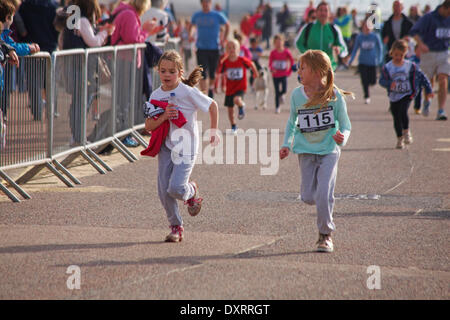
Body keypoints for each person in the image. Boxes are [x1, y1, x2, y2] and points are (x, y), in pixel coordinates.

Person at [141, 50, 219, 242]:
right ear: (158, 71)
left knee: (176, 188)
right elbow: (148, 125)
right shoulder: (156, 95)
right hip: (167, 146)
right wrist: (165, 117)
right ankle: (176, 227)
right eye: (163, 71)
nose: (167, 75)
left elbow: (213, 105)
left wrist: (213, 130)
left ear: (180, 73)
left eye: (172, 71)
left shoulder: (187, 92)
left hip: (187, 146)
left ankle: (191, 190)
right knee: (163, 191)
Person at [280, 49, 353, 253]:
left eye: (303, 68)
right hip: (305, 151)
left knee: (323, 194)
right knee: (308, 197)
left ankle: (325, 235)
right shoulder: (296, 95)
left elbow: (346, 125)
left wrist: (343, 137)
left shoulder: (334, 95)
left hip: (329, 150)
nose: (299, 71)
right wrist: (286, 143)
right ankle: (322, 205)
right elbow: (291, 121)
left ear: (317, 71)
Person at [60, 0, 115, 145]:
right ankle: (79, 138)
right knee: (82, 102)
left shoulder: (71, 20)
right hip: (82, 67)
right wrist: (105, 33)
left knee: (77, 102)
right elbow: (94, 42)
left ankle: (76, 136)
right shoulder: (83, 20)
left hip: (71, 65)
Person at [110, 0, 162, 147]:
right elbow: (132, 39)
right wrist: (146, 31)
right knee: (124, 99)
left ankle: (124, 133)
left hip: (125, 60)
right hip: (125, 60)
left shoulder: (127, 13)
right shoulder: (129, 14)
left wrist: (146, 31)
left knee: (126, 99)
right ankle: (123, 134)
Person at [379, 40, 433, 149]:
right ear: (392, 53)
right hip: (394, 96)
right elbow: (381, 81)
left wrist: (429, 89)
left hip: (407, 93)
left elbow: (422, 77)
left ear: (405, 54)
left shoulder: (410, 66)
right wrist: (390, 84)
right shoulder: (388, 67)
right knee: (396, 117)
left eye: (401, 55)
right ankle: (399, 138)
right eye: (396, 55)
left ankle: (406, 132)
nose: (398, 57)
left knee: (403, 111)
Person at [409, 0, 450, 120]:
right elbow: (414, 32)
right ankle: (427, 100)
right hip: (428, 53)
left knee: (443, 79)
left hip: (444, 52)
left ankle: (441, 110)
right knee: (428, 81)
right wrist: (420, 44)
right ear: (444, 8)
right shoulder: (428, 18)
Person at [0, 0, 39, 120]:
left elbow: (9, 45)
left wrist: (8, 51)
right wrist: (29, 47)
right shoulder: (3, 34)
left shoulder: (4, 36)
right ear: (8, 17)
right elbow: (14, 46)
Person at [190, 0, 230, 99]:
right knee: (202, 72)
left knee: (212, 73)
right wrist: (191, 35)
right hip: (201, 47)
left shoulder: (217, 15)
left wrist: (224, 38)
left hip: (214, 48)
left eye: (208, 2)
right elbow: (191, 25)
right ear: (201, 3)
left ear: (210, 3)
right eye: (204, 2)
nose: (206, 4)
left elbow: (227, 24)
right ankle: (204, 94)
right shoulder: (197, 15)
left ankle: (211, 88)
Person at [217, 39, 258, 134]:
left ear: (238, 49)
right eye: (229, 48)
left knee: (237, 99)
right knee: (230, 109)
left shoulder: (242, 60)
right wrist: (221, 85)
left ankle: (241, 105)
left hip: (240, 87)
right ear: (226, 50)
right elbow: (220, 73)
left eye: (234, 47)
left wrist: (255, 73)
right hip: (229, 88)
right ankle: (233, 126)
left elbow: (252, 64)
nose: (231, 49)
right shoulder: (225, 62)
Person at [295, 1, 348, 71]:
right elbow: (298, 43)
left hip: (328, 69)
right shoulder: (308, 27)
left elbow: (344, 48)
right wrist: (307, 55)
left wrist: (339, 49)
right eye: (320, 10)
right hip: (310, 69)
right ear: (316, 12)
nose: (323, 13)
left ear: (329, 14)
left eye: (326, 10)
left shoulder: (334, 29)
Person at [346, 17, 383, 104]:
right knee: (364, 80)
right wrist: (351, 60)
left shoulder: (375, 36)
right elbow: (355, 49)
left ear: (371, 27)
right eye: (365, 26)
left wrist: (380, 59)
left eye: (368, 26)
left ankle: (370, 85)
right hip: (362, 62)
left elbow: (380, 48)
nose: (366, 28)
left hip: (373, 62)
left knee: (373, 81)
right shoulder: (359, 37)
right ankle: (366, 96)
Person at [269, 33, 294, 114]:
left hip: (284, 74)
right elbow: (270, 63)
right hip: (275, 75)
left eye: (280, 42)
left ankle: (282, 95)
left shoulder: (286, 52)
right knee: (276, 91)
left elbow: (291, 61)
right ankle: (277, 107)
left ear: (283, 42)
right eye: (276, 42)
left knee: (284, 89)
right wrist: (272, 69)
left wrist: (290, 70)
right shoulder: (273, 53)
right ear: (274, 43)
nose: (278, 44)